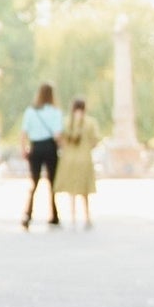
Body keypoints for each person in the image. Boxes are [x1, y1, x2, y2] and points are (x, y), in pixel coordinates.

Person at [20, 82, 64, 229]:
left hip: (36, 147)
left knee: (34, 182)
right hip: (50, 147)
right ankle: (54, 215)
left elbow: (23, 133)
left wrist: (24, 149)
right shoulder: (55, 112)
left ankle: (28, 213)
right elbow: (58, 134)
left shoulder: (31, 111)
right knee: (52, 182)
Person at [55, 97, 100, 227]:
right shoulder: (90, 122)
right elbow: (95, 141)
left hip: (69, 160)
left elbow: (59, 138)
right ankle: (87, 217)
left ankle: (73, 217)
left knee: (72, 191)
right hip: (84, 159)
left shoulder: (66, 121)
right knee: (84, 191)